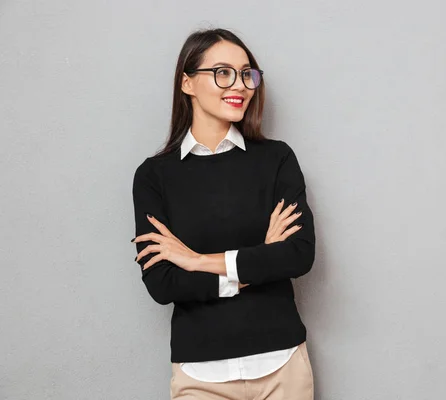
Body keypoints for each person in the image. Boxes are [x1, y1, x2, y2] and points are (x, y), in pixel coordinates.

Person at [131, 28, 316, 400]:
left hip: (282, 365)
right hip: (200, 374)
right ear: (187, 83)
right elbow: (163, 283)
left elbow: (297, 255)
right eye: (222, 72)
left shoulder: (276, 159)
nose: (240, 85)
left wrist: (196, 260)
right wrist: (255, 262)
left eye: (247, 73)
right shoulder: (154, 176)